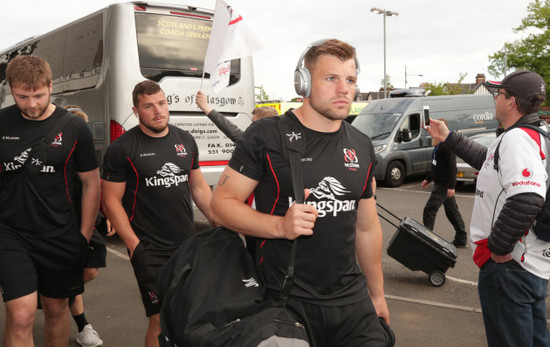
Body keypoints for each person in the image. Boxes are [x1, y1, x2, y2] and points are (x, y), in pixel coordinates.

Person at [210, 39, 389, 346]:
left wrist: (377, 295)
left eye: (350, 80)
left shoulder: (361, 144)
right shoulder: (267, 136)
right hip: (285, 302)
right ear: (303, 82)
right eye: (331, 78)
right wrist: (279, 226)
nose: (344, 89)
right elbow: (220, 205)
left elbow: (367, 227)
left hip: (351, 303)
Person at [427, 69, 550, 346]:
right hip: (532, 264)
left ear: (512, 102)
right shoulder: (534, 135)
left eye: (499, 94)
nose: (495, 98)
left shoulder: (516, 139)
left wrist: (497, 248)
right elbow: (490, 160)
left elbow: (528, 197)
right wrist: (449, 138)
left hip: (511, 268)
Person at [101, 80, 215, 347]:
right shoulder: (122, 149)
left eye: (162, 103)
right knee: (159, 319)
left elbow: (198, 187)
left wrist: (219, 222)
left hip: (187, 244)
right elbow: (111, 200)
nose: (158, 111)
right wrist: (134, 245)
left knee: (189, 315)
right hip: (149, 249)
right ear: (136, 110)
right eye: (148, 106)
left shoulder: (185, 140)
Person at [0, 55, 100, 346]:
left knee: (56, 310)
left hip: (60, 233)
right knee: (20, 315)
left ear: (51, 87)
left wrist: (83, 237)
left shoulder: (75, 127)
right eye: (22, 96)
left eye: (39, 95)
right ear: (11, 90)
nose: (31, 104)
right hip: (10, 232)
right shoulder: (2, 123)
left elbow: (91, 182)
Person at [65, 105, 114, 347]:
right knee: (71, 275)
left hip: (86, 226)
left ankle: (55, 294)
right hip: (59, 227)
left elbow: (99, 189)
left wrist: (108, 216)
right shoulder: (55, 159)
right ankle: (83, 326)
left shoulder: (88, 158)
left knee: (90, 269)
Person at [421, 118, 467, 248]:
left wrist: (451, 186)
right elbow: (436, 165)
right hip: (440, 183)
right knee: (451, 211)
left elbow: (453, 167)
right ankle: (461, 238)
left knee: (429, 209)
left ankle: (427, 238)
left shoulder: (447, 146)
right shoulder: (438, 145)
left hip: (444, 184)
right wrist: (428, 179)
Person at [195, 90, 278, 142]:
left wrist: (206, 107)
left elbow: (233, 132)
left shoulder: (259, 144)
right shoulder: (280, 142)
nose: (251, 126)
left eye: (254, 123)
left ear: (266, 125)